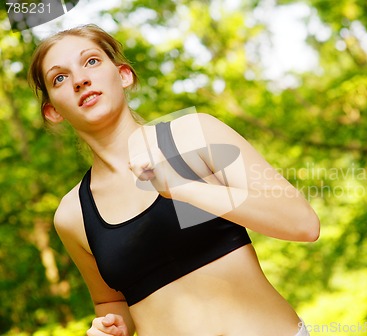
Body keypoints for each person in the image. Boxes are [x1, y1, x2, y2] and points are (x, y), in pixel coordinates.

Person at [29, 24, 320, 336]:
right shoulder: (73, 214)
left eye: (91, 62)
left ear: (124, 75)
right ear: (52, 111)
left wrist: (182, 187)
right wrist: (113, 328)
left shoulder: (193, 136)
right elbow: (111, 303)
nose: (80, 79)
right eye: (59, 78)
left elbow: (303, 224)